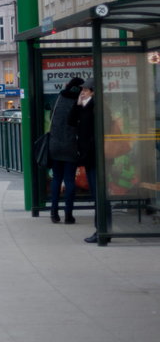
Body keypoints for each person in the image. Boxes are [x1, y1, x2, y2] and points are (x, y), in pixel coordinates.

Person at [47, 76, 84, 224]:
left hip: (55, 144)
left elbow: (51, 117)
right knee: (69, 180)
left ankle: (54, 212)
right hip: (71, 145)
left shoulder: (58, 98)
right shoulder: (79, 102)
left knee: (56, 179)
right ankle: (68, 214)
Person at [69, 78, 99, 243]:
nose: (82, 92)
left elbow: (90, 130)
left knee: (98, 194)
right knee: (96, 193)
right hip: (88, 156)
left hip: (95, 156)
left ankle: (101, 229)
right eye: (82, 90)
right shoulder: (84, 106)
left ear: (93, 92)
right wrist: (78, 104)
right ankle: (100, 229)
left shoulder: (95, 107)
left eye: (86, 90)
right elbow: (71, 121)